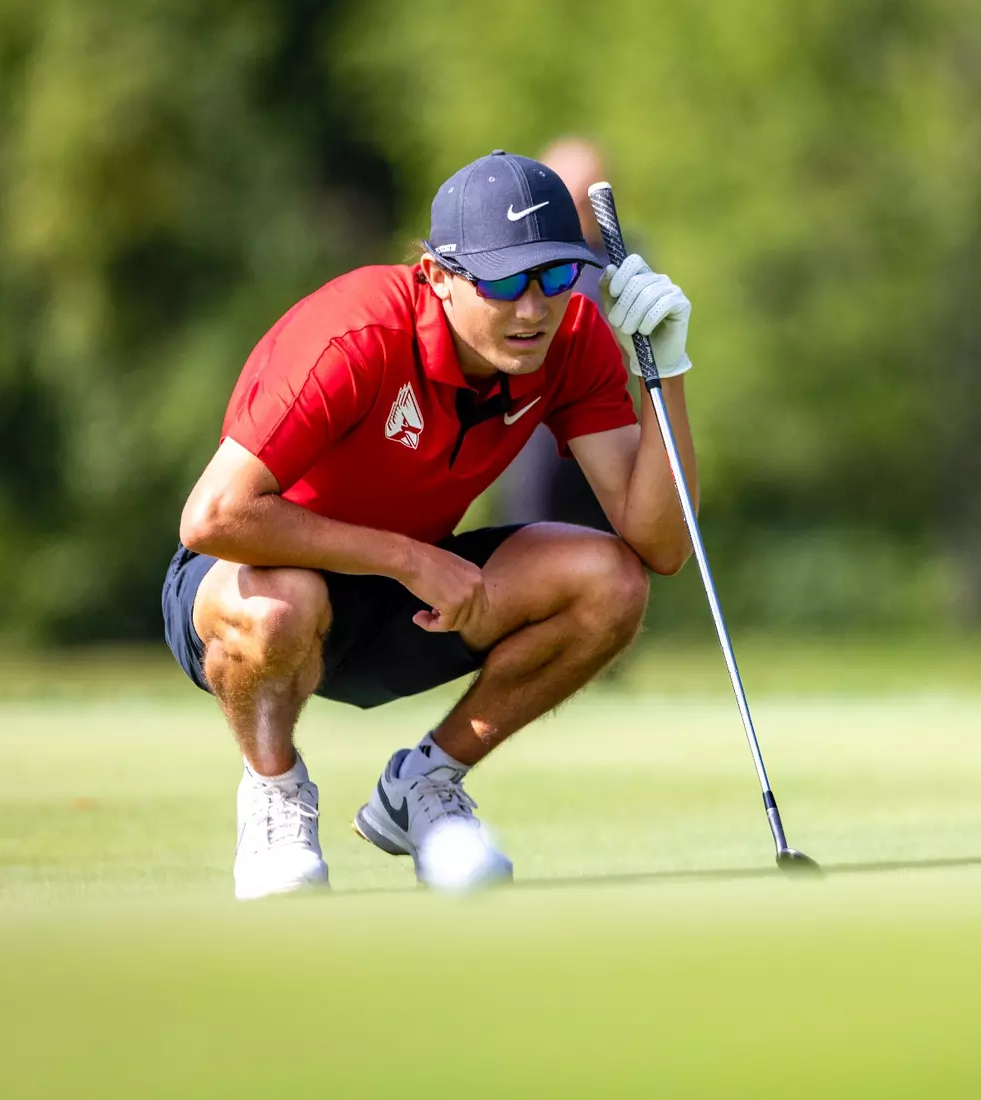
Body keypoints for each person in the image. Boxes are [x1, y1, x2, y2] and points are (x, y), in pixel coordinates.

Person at [162, 150, 699, 898]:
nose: (533, 308)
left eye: (556, 275)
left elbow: (661, 547)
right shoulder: (356, 332)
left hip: (403, 596)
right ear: (439, 275)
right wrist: (407, 560)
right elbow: (213, 516)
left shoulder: (572, 338)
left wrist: (665, 372)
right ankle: (275, 791)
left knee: (612, 583)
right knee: (285, 604)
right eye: (505, 280)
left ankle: (424, 786)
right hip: (254, 579)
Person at [498, 137, 616, 530]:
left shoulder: (624, 254)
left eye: (589, 197)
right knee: (532, 527)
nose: (580, 209)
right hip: (538, 415)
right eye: (571, 197)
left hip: (605, 411)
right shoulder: (530, 253)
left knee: (613, 541)